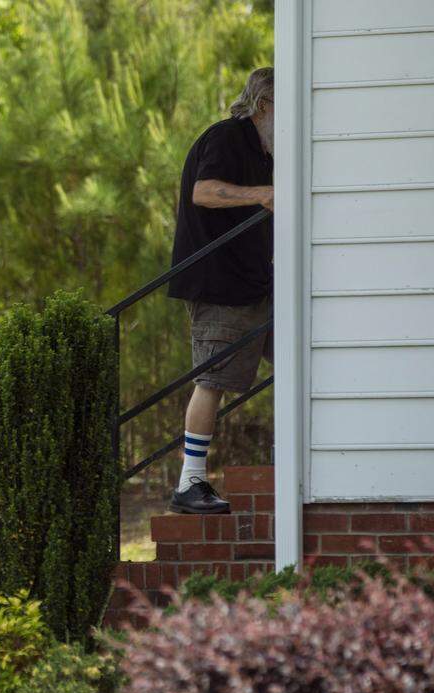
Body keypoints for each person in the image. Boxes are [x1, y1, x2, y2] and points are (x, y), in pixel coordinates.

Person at [167, 67, 275, 515]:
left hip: (259, 283)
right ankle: (190, 483)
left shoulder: (267, 151)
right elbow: (204, 192)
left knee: (302, 361)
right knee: (211, 382)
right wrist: (264, 193)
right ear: (265, 105)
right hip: (218, 285)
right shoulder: (228, 138)